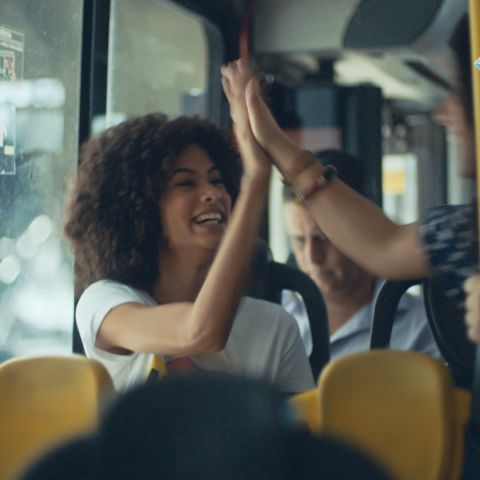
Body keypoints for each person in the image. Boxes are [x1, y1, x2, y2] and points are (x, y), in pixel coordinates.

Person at [220, 14, 479, 344]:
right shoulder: (464, 232)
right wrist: (270, 142)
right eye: (299, 240)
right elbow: (383, 245)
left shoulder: (419, 325)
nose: (444, 112)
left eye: (459, 93)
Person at [64, 112, 314, 393]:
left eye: (217, 181)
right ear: (140, 208)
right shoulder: (105, 303)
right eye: (186, 183)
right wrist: (256, 179)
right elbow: (200, 333)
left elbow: (300, 432)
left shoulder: (275, 328)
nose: (213, 194)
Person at [281, 149, 440, 359]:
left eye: (323, 239)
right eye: (300, 241)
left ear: (362, 232)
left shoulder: (423, 329)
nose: (312, 258)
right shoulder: (275, 312)